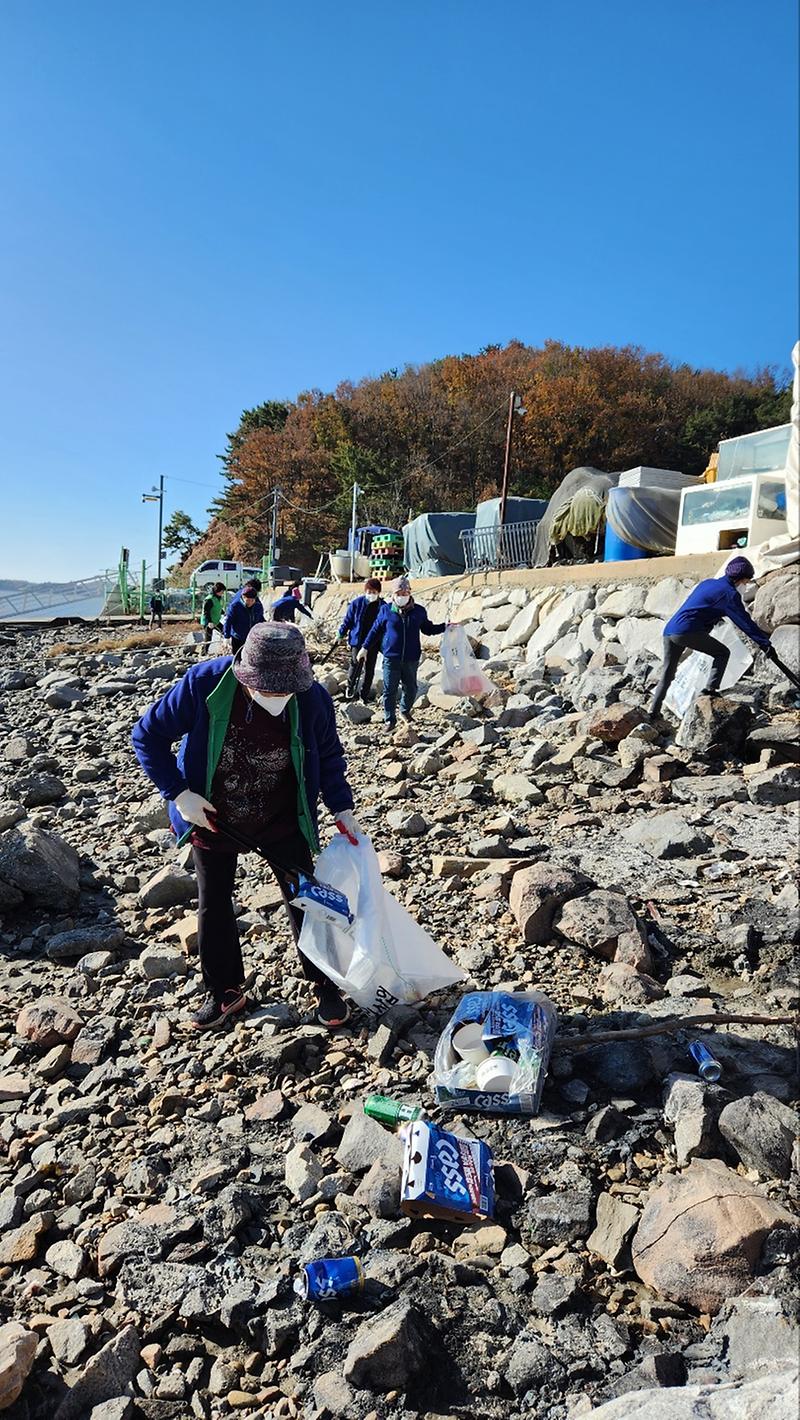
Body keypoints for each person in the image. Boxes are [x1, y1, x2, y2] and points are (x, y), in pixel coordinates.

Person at [131, 622, 361, 1031]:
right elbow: (147, 735)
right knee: (214, 900)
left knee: (302, 896)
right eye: (267, 690)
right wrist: (180, 795)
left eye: (283, 691)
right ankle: (225, 991)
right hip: (212, 814)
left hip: (282, 814)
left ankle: (324, 983)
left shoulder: (312, 699)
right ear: (245, 675)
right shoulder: (205, 683)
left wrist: (342, 808)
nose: (276, 698)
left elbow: (328, 756)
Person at [648, 556, 774, 718]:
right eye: (746, 580)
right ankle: (710, 689)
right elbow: (745, 623)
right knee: (722, 653)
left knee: (667, 673)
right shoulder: (729, 594)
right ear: (742, 578)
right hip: (687, 632)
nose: (745, 584)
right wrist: (765, 643)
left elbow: (699, 607)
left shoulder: (708, 583)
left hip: (670, 630)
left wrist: (712, 618)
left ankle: (653, 712)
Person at [360, 575, 447, 728]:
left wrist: (445, 626)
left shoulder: (419, 611)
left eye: (405, 593)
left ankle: (404, 710)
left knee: (411, 688)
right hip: (391, 657)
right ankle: (389, 720)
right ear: (393, 595)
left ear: (410, 594)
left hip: (411, 658)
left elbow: (428, 629)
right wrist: (364, 648)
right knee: (389, 690)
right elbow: (375, 631)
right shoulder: (386, 610)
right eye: (398, 594)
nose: (402, 597)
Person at [337, 578, 384, 702]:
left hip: (373, 643)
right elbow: (348, 621)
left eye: (374, 592)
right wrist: (341, 634)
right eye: (368, 591)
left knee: (370, 669)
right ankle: (350, 690)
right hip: (357, 641)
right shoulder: (356, 603)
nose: (371, 594)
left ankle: (364, 694)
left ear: (378, 592)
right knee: (355, 665)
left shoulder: (382, 606)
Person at [223, 582, 265, 654]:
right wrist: (226, 636)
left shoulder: (258, 606)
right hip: (238, 637)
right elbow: (228, 621)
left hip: (251, 637)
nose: (250, 603)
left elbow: (260, 619)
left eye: (252, 600)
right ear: (243, 597)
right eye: (248, 600)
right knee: (237, 658)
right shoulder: (235, 606)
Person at [200, 582, 226, 649]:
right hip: (208, 622)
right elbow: (206, 612)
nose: (222, 593)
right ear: (217, 591)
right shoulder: (209, 599)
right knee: (208, 639)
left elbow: (218, 607)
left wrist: (224, 613)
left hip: (216, 621)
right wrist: (209, 622)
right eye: (222, 591)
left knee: (225, 631)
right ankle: (203, 653)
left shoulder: (218, 598)